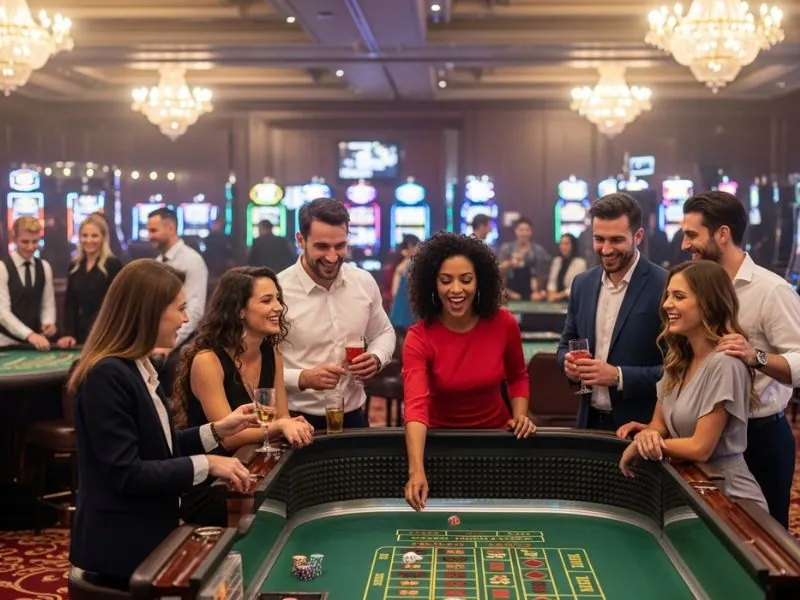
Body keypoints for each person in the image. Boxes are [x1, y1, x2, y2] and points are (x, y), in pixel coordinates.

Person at [68, 259, 257, 588]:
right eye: (180, 308)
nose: (185, 319)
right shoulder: (107, 375)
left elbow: (160, 447)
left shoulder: (137, 366)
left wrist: (217, 430)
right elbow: (126, 473)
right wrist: (208, 463)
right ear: (150, 312)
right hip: (121, 546)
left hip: (151, 531)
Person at [677, 190, 799, 528]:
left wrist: (754, 356)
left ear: (723, 234)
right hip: (705, 438)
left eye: (691, 234)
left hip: (760, 438)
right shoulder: (694, 286)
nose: (685, 244)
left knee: (767, 546)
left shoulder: (771, 290)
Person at [617, 260, 768, 511]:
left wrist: (646, 445)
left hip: (730, 498)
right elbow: (658, 424)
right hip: (692, 487)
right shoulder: (678, 359)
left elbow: (701, 448)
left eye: (679, 296)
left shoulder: (726, 362)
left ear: (708, 303)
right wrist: (650, 435)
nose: (667, 305)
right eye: (667, 296)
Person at [402, 232, 535, 511]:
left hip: (496, 443)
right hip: (439, 446)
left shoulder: (504, 323)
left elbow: (517, 376)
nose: (456, 290)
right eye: (446, 280)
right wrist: (416, 469)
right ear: (432, 283)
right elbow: (415, 406)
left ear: (480, 281)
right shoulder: (419, 337)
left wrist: (520, 415)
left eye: (466, 279)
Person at [171, 266, 315, 524]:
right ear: (239, 310)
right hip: (212, 483)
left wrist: (288, 424)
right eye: (267, 300)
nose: (279, 307)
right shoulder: (208, 361)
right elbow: (228, 438)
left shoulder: (273, 351)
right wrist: (281, 425)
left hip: (253, 471)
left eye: (278, 298)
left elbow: (282, 416)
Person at [278, 198, 396, 430]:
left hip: (353, 416)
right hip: (296, 419)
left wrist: (376, 357)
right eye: (322, 247)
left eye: (340, 246)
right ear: (300, 240)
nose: (332, 257)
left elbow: (384, 332)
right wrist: (301, 378)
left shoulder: (362, 281)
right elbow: (255, 368)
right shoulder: (277, 291)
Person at [557, 192, 667, 430]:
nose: (606, 250)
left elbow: (678, 370)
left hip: (643, 428)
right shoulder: (582, 283)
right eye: (599, 239)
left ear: (637, 236)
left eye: (616, 240)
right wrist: (567, 364)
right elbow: (565, 345)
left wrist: (618, 376)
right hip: (588, 423)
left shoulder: (666, 285)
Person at [57, 214, 123, 347]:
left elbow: (118, 305)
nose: (89, 240)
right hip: (79, 334)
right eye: (84, 235)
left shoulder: (113, 264)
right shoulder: (75, 265)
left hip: (105, 333)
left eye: (94, 236)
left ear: (103, 237)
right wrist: (68, 333)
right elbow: (70, 304)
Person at [147, 207, 208, 351]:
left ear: (171, 228)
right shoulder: (158, 261)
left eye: (153, 231)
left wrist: (169, 344)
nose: (149, 236)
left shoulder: (192, 261)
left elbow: (194, 311)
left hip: (179, 346)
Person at [0, 216, 57, 350]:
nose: (31, 247)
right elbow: (2, 313)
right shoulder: (2, 268)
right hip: (5, 343)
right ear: (14, 238)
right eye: (25, 242)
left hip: (35, 343)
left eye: (35, 241)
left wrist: (48, 323)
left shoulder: (44, 267)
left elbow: (47, 305)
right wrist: (29, 334)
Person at [497, 217, 551, 300]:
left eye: (527, 230)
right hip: (509, 292)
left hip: (533, 294)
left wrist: (539, 291)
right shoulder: (506, 249)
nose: (524, 233)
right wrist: (510, 263)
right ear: (516, 231)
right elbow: (498, 270)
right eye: (521, 230)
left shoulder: (538, 250)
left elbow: (544, 274)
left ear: (531, 232)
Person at [389, 234, 420, 328]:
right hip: (402, 300)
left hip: (401, 300)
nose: (419, 249)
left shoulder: (402, 258)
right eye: (417, 246)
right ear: (411, 246)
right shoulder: (405, 260)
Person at [546, 233, 587, 302]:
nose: (563, 246)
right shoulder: (557, 261)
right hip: (556, 302)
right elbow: (552, 282)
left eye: (566, 244)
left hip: (572, 301)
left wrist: (558, 296)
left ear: (573, 246)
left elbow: (575, 287)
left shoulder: (580, 263)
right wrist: (551, 294)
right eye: (561, 243)